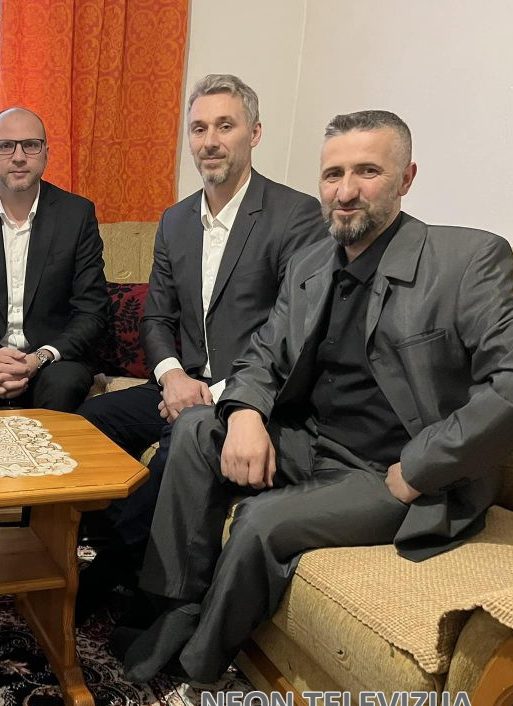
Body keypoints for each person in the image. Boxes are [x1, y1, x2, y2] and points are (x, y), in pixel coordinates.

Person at [119, 110, 513, 684]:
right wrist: (245, 414)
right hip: (311, 443)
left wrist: (423, 466)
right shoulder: (311, 263)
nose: (346, 191)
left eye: (368, 172)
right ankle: (175, 606)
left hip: (390, 471)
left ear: (406, 178)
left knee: (260, 521)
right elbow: (263, 354)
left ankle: (197, 664)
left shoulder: (465, 260)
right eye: (333, 174)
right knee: (194, 429)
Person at [74, 75, 325, 622]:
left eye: (224, 126)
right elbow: (157, 316)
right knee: (86, 424)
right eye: (198, 128)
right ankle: (108, 551)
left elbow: (294, 330)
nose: (209, 141)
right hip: (183, 383)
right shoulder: (175, 219)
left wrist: (211, 392)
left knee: (179, 444)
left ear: (254, 133)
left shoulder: (297, 215)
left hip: (250, 395)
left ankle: (111, 573)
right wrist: (170, 377)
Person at [0, 106, 108, 531]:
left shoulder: (77, 215)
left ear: (45, 153)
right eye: (5, 146)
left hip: (50, 358)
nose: (19, 156)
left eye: (30, 145)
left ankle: (41, 533)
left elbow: (92, 310)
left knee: (64, 384)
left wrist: (38, 358)